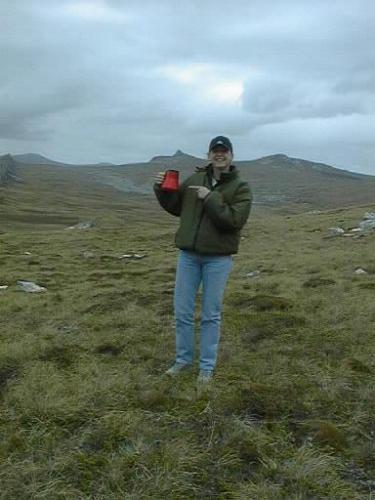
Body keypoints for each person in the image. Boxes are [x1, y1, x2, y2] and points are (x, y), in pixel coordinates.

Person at [153, 136, 252, 383]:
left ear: (231, 155)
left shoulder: (240, 187)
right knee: (182, 313)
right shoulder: (195, 179)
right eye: (215, 151)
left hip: (217, 259)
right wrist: (162, 189)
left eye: (224, 151)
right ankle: (183, 361)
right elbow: (177, 207)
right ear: (209, 155)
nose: (219, 155)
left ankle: (206, 367)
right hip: (188, 256)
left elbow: (233, 221)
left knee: (210, 315)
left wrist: (210, 197)